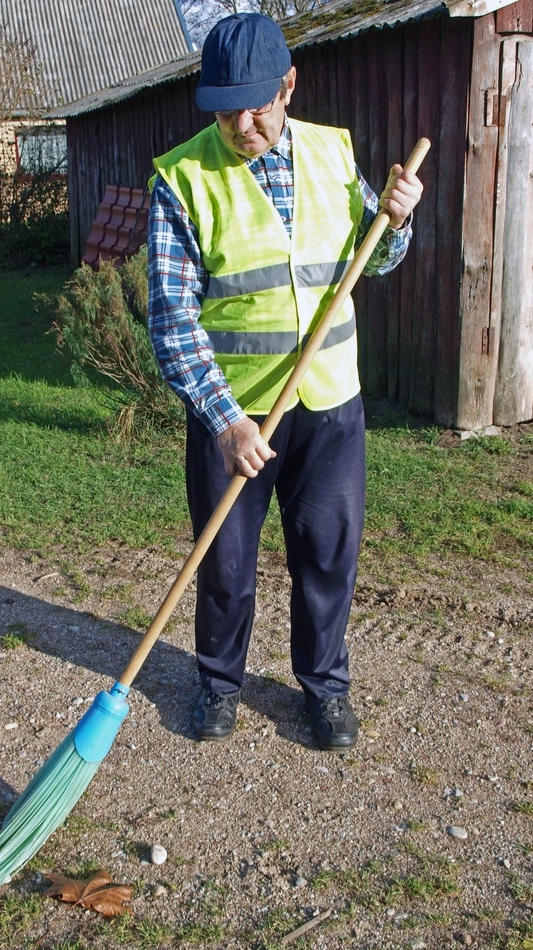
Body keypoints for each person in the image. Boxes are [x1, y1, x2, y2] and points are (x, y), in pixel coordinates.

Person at [147, 12, 422, 749]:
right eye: (225, 107)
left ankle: (324, 690)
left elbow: (377, 258)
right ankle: (218, 684)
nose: (241, 122)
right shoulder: (182, 178)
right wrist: (224, 418)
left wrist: (395, 223)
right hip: (233, 415)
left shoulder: (334, 155)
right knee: (226, 562)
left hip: (329, 403)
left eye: (257, 104)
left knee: (328, 553)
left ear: (289, 86)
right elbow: (172, 322)